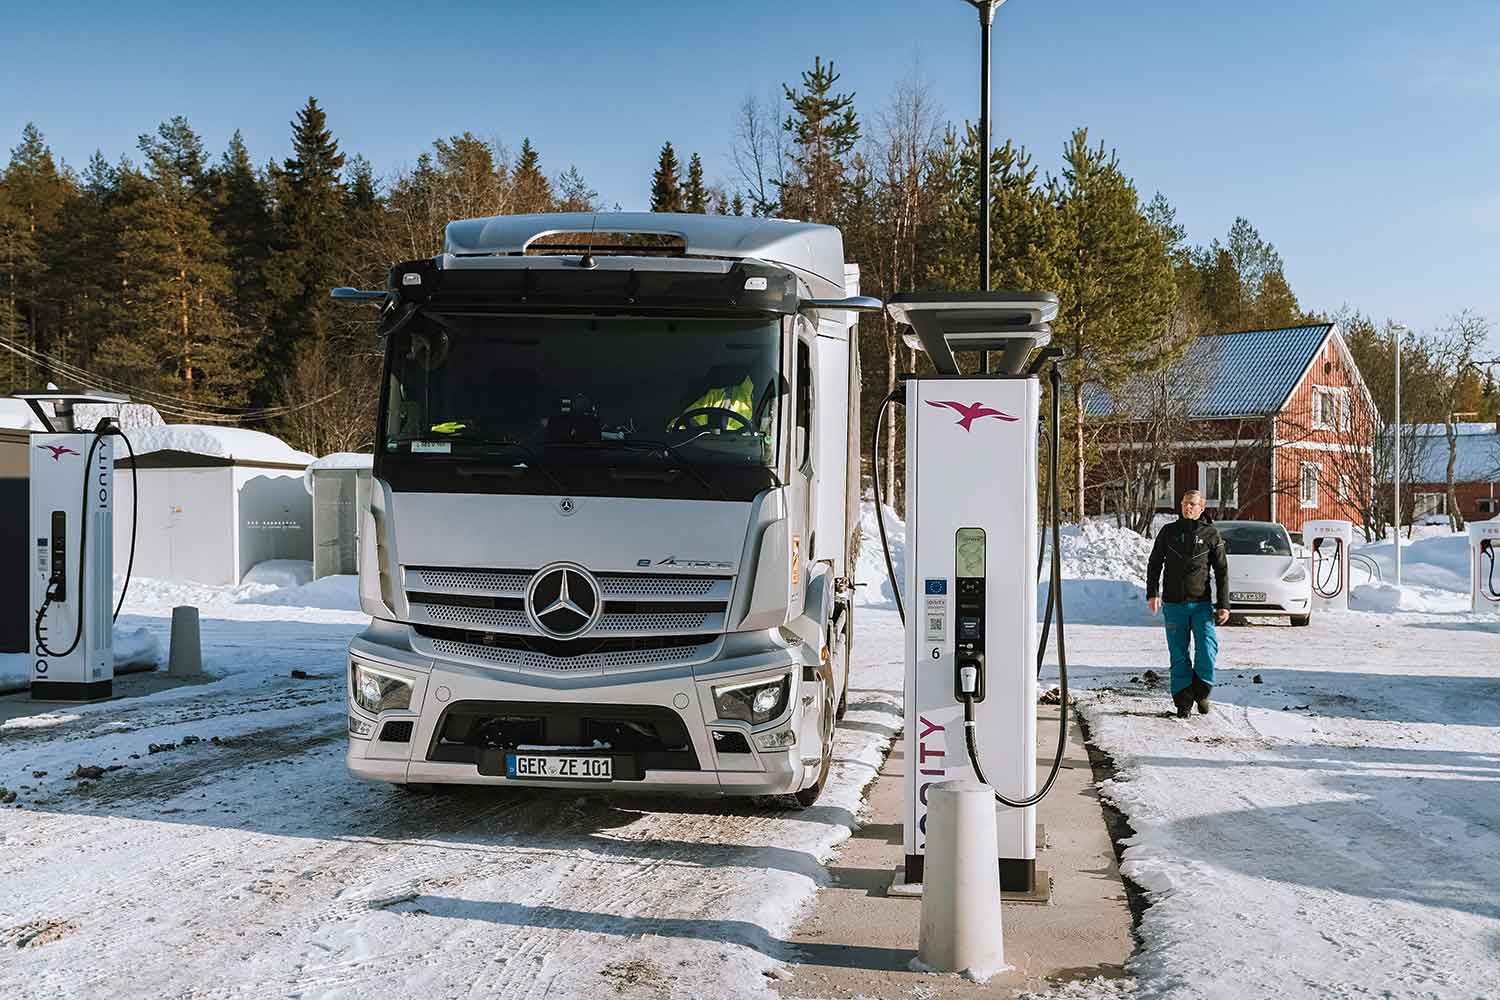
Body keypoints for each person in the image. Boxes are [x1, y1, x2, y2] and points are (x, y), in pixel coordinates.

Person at [1146, 490, 1230, 718]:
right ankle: (1183, 701)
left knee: (1207, 647)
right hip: (1174, 605)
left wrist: (1224, 604)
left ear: (1202, 507)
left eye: (1193, 504)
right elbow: (1154, 563)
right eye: (1185, 504)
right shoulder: (1168, 532)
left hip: (1201, 604)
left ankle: (1202, 690)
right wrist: (1152, 593)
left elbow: (1221, 571)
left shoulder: (1211, 534)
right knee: (1179, 654)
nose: (1188, 507)